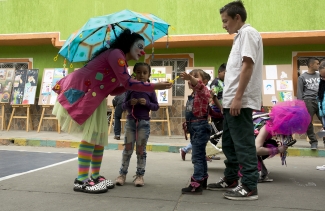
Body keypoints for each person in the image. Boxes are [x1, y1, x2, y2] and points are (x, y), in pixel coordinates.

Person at [52, 29, 172, 194]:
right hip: (86, 93)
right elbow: (128, 84)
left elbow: (113, 89)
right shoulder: (116, 54)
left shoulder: (121, 60)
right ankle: (81, 180)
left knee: (98, 138)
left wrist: (128, 83)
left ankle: (94, 176)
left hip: (96, 96)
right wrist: (155, 85)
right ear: (128, 44)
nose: (142, 51)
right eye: (139, 46)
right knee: (90, 137)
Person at [207, 0, 263, 201]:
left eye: (225, 21)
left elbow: (247, 66)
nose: (223, 25)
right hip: (231, 101)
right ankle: (231, 178)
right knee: (229, 143)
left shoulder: (248, 33)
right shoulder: (239, 36)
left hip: (240, 100)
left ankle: (249, 186)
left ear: (237, 17)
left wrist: (238, 98)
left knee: (243, 143)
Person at [115, 62, 159, 187]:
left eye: (144, 73)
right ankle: (122, 174)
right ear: (134, 74)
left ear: (149, 74)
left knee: (141, 150)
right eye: (138, 72)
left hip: (144, 123)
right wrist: (130, 102)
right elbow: (123, 105)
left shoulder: (150, 89)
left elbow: (156, 106)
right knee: (127, 149)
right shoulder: (130, 88)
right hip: (130, 123)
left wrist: (147, 104)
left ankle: (140, 176)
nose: (141, 75)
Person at [253, 100, 310, 182]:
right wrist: (278, 150)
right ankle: (252, 170)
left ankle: (257, 169)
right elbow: (256, 149)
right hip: (239, 142)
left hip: (249, 140)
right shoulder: (267, 126)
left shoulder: (272, 122)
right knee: (264, 147)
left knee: (271, 144)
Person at [180, 69, 212, 195]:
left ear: (204, 81)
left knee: (197, 157)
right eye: (190, 77)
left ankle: (197, 182)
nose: (191, 79)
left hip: (200, 127)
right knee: (201, 156)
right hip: (194, 127)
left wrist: (190, 78)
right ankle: (203, 179)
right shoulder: (192, 95)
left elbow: (199, 86)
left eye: (195, 77)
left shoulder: (203, 92)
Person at [297, 57, 321, 149]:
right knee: (307, 122)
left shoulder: (320, 75)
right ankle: (313, 142)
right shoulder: (302, 77)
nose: (318, 65)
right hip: (308, 101)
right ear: (311, 65)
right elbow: (299, 92)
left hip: (320, 101)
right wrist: (300, 105)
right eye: (317, 64)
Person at [317, 61, 325, 145]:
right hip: (323, 112)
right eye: (322, 76)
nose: (323, 78)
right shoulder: (321, 83)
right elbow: (319, 97)